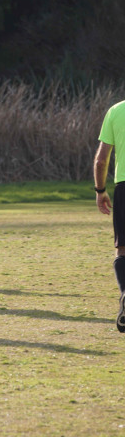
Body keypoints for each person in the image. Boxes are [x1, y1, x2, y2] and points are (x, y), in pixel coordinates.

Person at [94, 99, 125, 332]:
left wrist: (100, 190)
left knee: (122, 250)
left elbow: (101, 160)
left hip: (124, 187)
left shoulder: (115, 111)